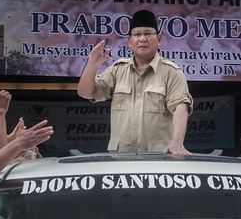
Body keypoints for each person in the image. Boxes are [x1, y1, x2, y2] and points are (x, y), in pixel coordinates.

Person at [77, 9, 193, 154]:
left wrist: (177, 142)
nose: (142, 39)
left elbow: (180, 107)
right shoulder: (118, 70)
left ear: (159, 40)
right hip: (121, 159)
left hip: (158, 158)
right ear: (129, 42)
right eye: (137, 34)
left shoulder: (171, 72)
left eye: (148, 33)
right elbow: (86, 93)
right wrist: (92, 65)